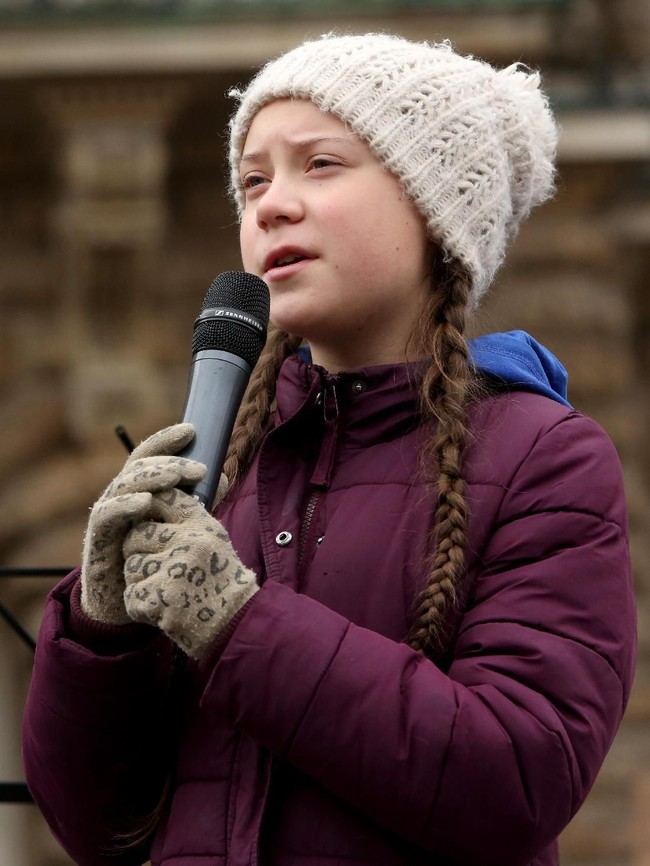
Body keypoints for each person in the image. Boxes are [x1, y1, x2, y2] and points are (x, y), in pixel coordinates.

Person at [22, 32, 636, 866]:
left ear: (435, 206)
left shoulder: (545, 457)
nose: (270, 204)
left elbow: (519, 781)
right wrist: (103, 637)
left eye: (320, 165)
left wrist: (236, 624)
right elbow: (96, 827)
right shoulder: (225, 469)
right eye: (253, 179)